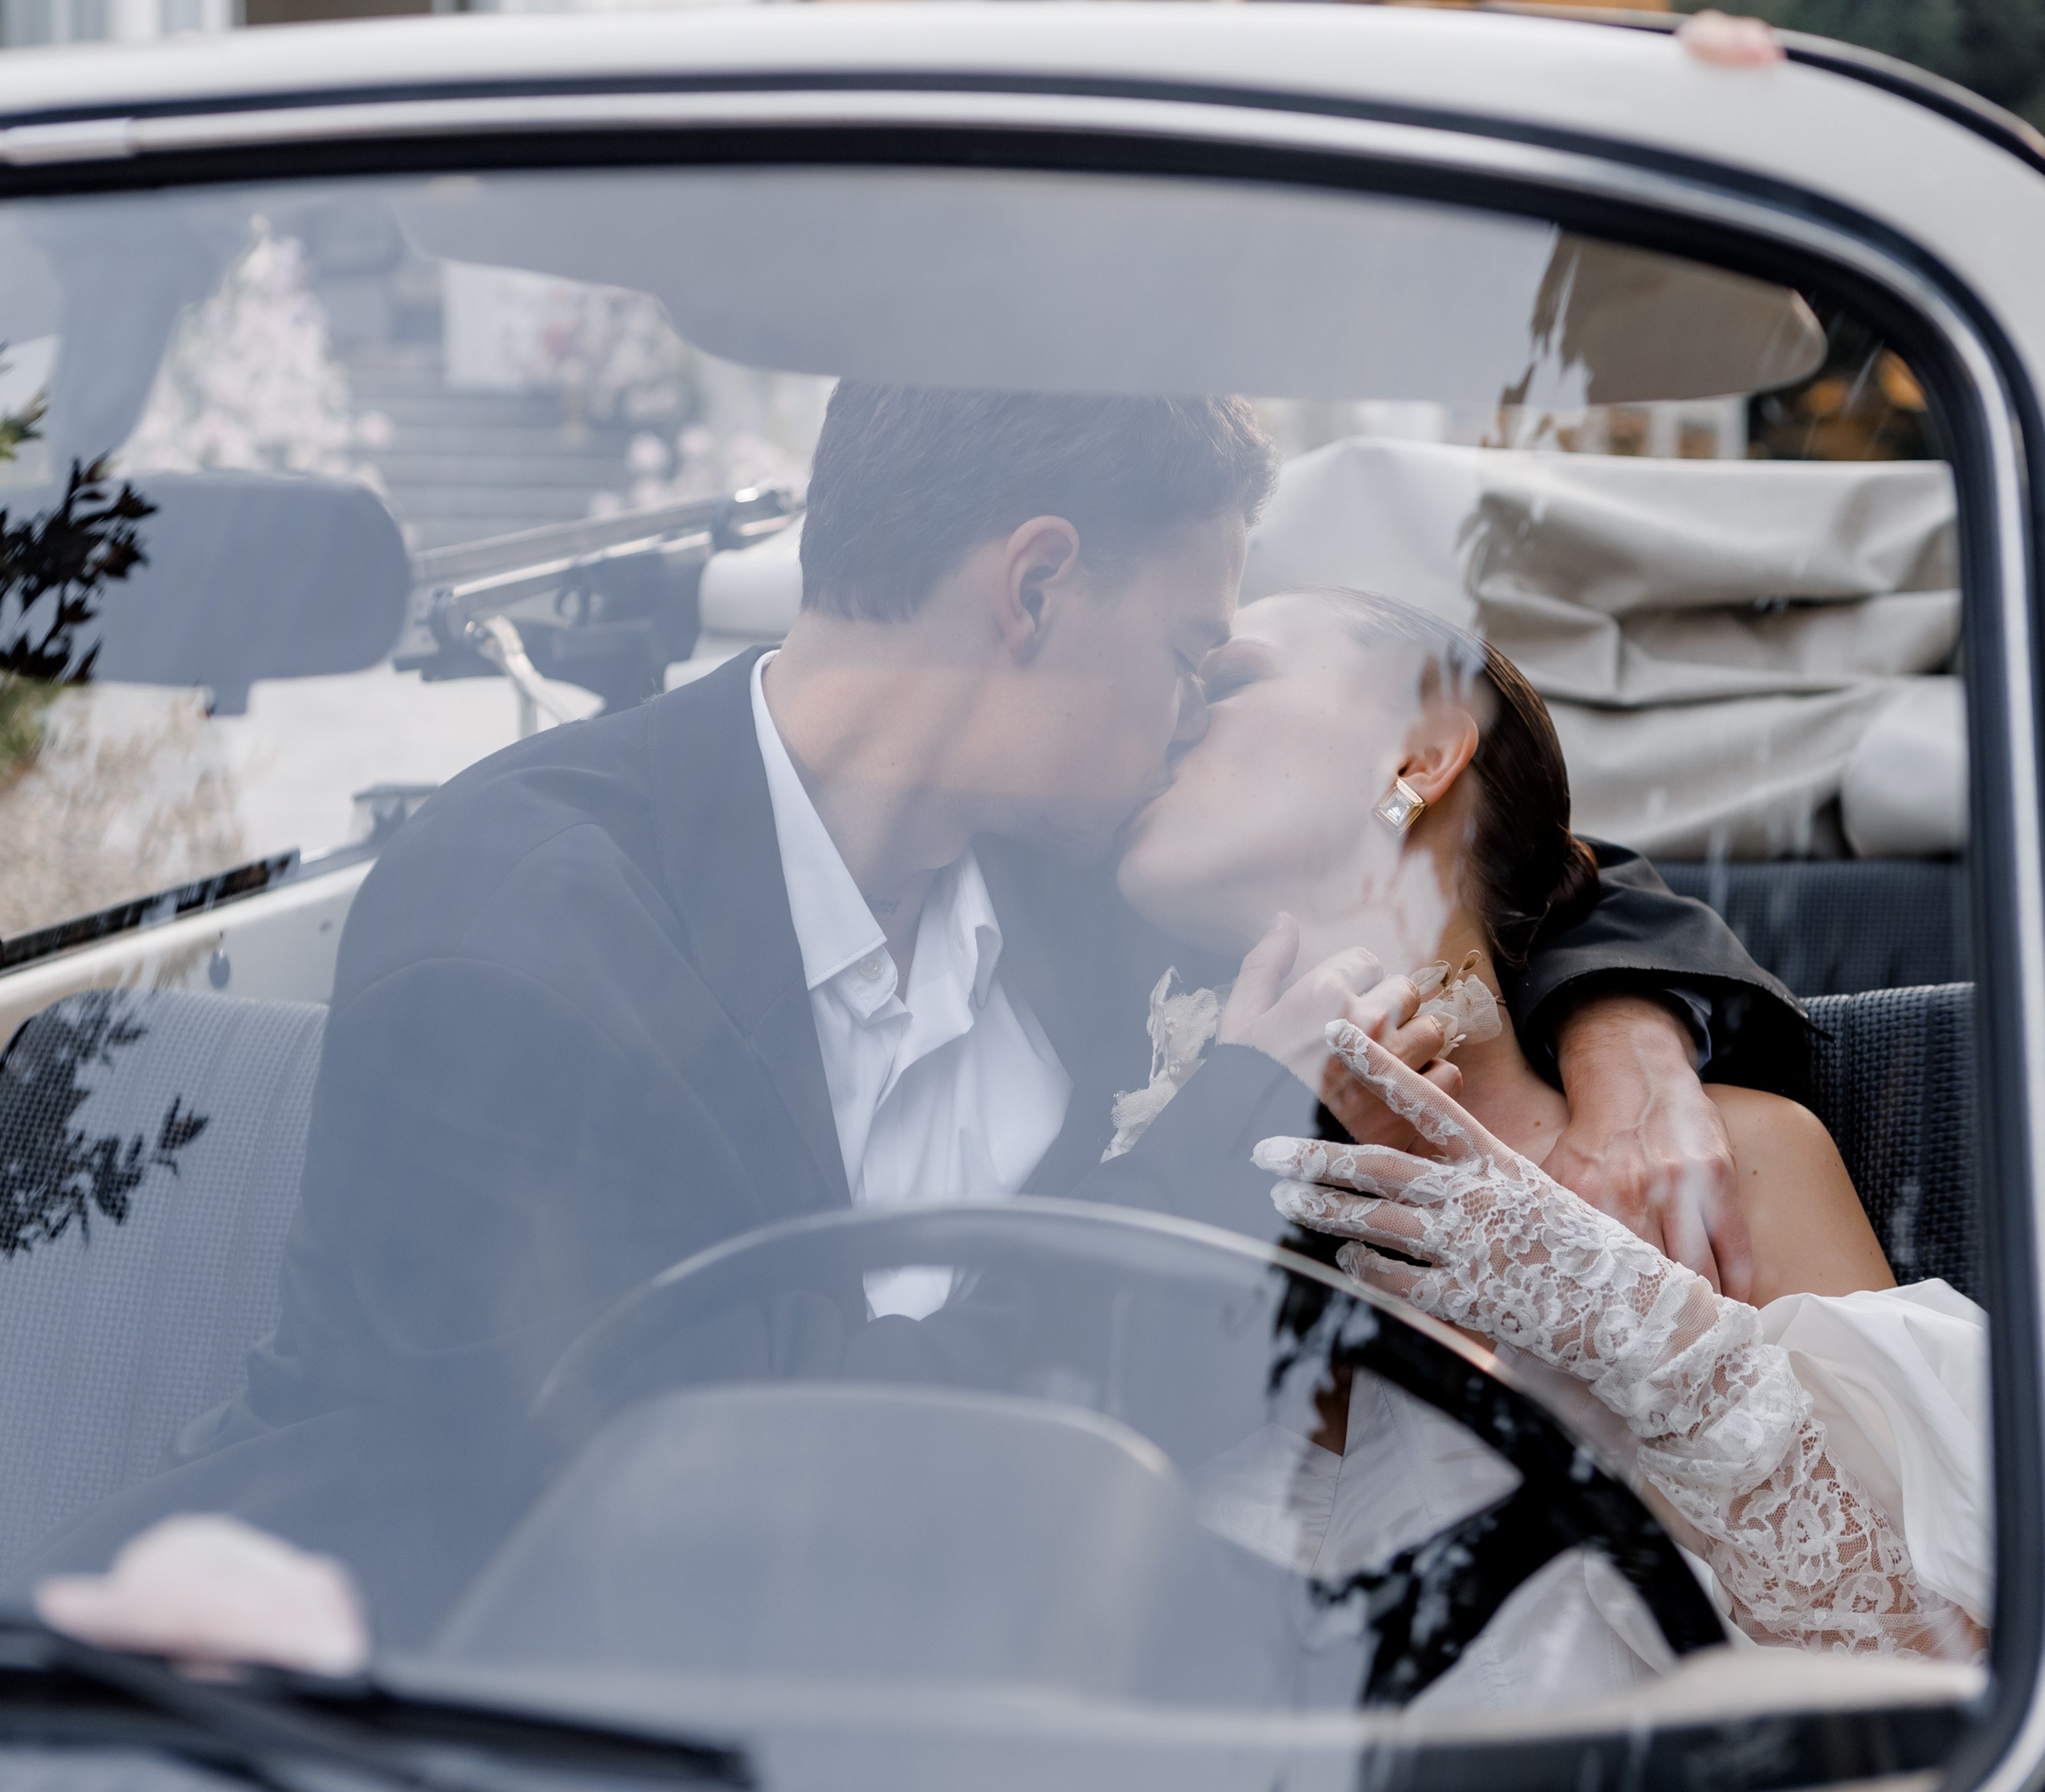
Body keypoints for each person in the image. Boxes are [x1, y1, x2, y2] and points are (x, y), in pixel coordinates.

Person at [31, 387, 1807, 1636]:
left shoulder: (1079, 873)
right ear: (1033, 589)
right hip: (400, 1739)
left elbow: (1489, 852)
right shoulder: (520, 929)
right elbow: (767, 1488)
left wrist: (1628, 1040)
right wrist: (1228, 1135)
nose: (1192, 713)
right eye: (1192, 651)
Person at [1107, 585, 1988, 1683]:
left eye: (1228, 679)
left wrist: (1659, 1348)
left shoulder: (1731, 1161)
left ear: (1420, 758)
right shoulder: (1111, 1187)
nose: (1170, 710)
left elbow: (1939, 1688)